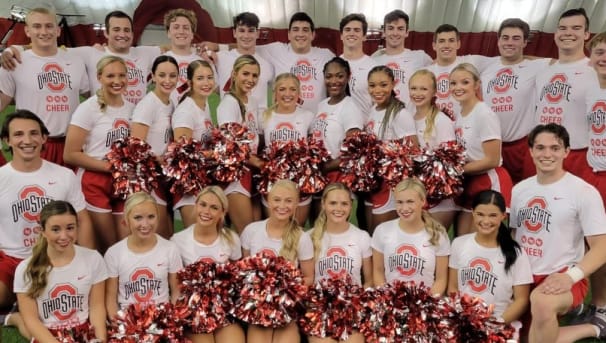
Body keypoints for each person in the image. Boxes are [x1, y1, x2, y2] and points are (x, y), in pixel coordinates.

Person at [509, 123, 606, 343]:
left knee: (542, 303)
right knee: (515, 335)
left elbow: (602, 246)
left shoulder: (583, 192)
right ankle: (592, 327)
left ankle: (587, 322)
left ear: (566, 152)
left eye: (555, 148)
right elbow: (515, 236)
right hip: (524, 276)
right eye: (540, 148)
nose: (547, 154)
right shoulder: (519, 190)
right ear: (531, 151)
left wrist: (570, 277)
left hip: (561, 275)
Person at [0, 109, 94, 320]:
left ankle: (22, 305)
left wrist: (88, 260)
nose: (27, 140)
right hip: (12, 258)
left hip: (57, 255)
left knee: (76, 297)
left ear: (44, 138)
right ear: (7, 140)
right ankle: (16, 309)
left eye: (34, 133)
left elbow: (82, 219)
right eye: (18, 134)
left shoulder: (64, 175)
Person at [0, 7, 88, 166]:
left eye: (49, 26)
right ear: (27, 31)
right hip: (32, 145)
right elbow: (2, 101)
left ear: (58, 30)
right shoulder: (14, 62)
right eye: (37, 26)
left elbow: (94, 96)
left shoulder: (76, 61)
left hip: (71, 145)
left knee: (72, 189)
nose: (44, 31)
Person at [64, 55, 133, 253]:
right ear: (99, 77)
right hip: (94, 182)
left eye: (122, 75)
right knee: (107, 246)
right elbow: (70, 154)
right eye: (110, 76)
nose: (117, 81)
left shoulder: (132, 108)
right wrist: (110, 166)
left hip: (122, 182)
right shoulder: (88, 109)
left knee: (124, 245)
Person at [11, 201, 107, 342]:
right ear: (42, 231)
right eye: (55, 229)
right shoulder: (25, 269)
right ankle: (16, 318)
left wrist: (100, 339)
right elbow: (32, 320)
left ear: (77, 227)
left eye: (70, 228)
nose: (64, 236)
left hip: (83, 329)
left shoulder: (93, 259)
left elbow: (97, 307)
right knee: (27, 326)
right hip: (49, 332)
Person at [241, 179, 314, 343]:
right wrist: (260, 294)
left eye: (289, 201)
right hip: (259, 307)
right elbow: (244, 271)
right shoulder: (251, 231)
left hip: (286, 307)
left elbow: (309, 278)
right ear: (268, 201)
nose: (282, 205)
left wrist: (284, 293)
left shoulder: (302, 238)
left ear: (296, 205)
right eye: (277, 199)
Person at [170, 186, 244, 343]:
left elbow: (238, 278)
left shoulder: (231, 239)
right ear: (196, 205)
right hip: (194, 313)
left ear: (222, 213)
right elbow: (175, 285)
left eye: (214, 207)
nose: (206, 211)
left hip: (224, 311)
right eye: (202, 205)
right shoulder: (178, 240)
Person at [449, 190, 532, 328]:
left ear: (503, 216)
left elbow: (521, 300)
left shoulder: (516, 253)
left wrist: (495, 324)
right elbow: (453, 287)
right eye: (480, 214)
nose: (486, 221)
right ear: (473, 213)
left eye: (493, 215)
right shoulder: (459, 244)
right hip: (464, 320)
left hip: (498, 323)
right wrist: (463, 315)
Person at [480, 18, 549, 184]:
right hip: (490, 144)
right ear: (498, 41)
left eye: (516, 38)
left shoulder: (538, 66)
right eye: (505, 38)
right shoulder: (486, 67)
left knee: (524, 189)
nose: (509, 42)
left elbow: (571, 62)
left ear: (525, 42)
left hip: (521, 145)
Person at [534, 8, 599, 180]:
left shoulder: (595, 71)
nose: (568, 33)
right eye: (563, 28)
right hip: (541, 154)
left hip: (578, 155)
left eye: (576, 28)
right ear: (556, 33)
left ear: (586, 35)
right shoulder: (543, 72)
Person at [450, 63, 511, 235]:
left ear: (477, 85)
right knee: (462, 241)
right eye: (453, 83)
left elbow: (492, 159)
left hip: (488, 181)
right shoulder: (460, 112)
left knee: (480, 242)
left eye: (465, 82)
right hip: (468, 180)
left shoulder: (484, 114)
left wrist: (455, 171)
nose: (458, 87)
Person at [307, 183, 370, 343]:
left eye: (344, 204)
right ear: (323, 204)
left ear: (351, 206)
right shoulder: (310, 237)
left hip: (352, 307)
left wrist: (359, 303)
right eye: (333, 203)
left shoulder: (362, 237)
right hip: (320, 308)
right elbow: (306, 279)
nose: (339, 208)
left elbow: (369, 280)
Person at [104, 192, 182, 320]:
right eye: (138, 218)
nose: (145, 224)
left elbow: (176, 292)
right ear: (126, 220)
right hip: (128, 325)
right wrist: (120, 326)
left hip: (161, 321)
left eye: (151, 216)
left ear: (158, 217)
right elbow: (111, 301)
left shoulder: (170, 249)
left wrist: (171, 320)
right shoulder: (114, 254)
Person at [371, 178, 450, 295]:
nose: (404, 208)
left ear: (422, 201)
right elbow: (378, 272)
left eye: (410, 201)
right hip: (391, 303)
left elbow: (441, 279)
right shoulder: (382, 230)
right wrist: (386, 298)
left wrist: (427, 303)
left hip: (424, 305)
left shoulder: (438, 234)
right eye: (399, 202)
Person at [309, 57, 364, 222]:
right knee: (316, 228)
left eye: (339, 76)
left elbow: (353, 153)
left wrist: (325, 167)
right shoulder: (322, 105)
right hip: (319, 176)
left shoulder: (350, 108)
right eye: (329, 76)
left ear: (348, 77)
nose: (334, 81)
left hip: (337, 178)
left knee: (331, 230)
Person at [130, 55, 179, 238]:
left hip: (164, 175)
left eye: (172, 76)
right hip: (149, 177)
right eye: (162, 75)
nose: (167, 81)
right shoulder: (147, 105)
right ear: (153, 76)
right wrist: (158, 159)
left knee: (169, 229)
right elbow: (135, 149)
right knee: (160, 233)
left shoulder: (170, 103)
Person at [365, 66, 418, 233]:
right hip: (373, 182)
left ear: (393, 84)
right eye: (372, 86)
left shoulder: (400, 114)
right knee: (370, 234)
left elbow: (413, 151)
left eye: (383, 85)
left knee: (381, 235)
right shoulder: (373, 110)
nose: (377, 90)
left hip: (389, 185)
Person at [216, 54, 264, 234]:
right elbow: (230, 147)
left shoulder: (252, 101)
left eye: (254, 75)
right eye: (246, 74)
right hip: (236, 175)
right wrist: (258, 162)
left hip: (251, 172)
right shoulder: (228, 104)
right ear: (234, 74)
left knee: (256, 233)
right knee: (247, 234)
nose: (250, 79)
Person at [261, 73, 315, 225]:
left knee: (296, 229)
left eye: (292, 89)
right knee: (275, 228)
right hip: (273, 182)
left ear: (299, 93)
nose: (287, 94)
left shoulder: (308, 116)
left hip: (300, 183)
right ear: (275, 93)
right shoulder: (264, 116)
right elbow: (260, 148)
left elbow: (313, 149)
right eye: (282, 89)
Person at [256, 12, 335, 112]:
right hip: (286, 121)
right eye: (295, 29)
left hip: (318, 120)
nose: (300, 34)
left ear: (313, 35)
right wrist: (229, 47)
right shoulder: (276, 50)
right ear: (289, 34)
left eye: (305, 30)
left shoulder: (326, 56)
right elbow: (246, 48)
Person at [408, 69, 457, 229]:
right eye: (414, 88)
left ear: (434, 92)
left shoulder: (441, 121)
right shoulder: (407, 119)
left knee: (434, 247)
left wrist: (426, 184)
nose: (418, 93)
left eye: (423, 89)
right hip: (414, 194)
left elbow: (450, 163)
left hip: (438, 198)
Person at [171, 60, 217, 228]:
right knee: (195, 237)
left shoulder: (203, 106)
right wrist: (220, 154)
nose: (206, 83)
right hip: (190, 183)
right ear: (190, 83)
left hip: (203, 179)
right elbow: (184, 154)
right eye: (200, 78)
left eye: (209, 77)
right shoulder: (186, 111)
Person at [582, 31, 606, 338]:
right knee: (593, 244)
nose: (604, 57)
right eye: (599, 51)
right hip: (592, 173)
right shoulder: (590, 90)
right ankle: (597, 305)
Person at [216, 12, 274, 113]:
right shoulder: (220, 58)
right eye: (242, 30)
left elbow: (277, 92)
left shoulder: (266, 65)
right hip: (231, 124)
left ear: (257, 33)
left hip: (258, 125)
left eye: (251, 31)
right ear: (234, 33)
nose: (246, 36)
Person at [372, 9, 432, 107]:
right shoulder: (374, 60)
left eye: (400, 29)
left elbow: (441, 68)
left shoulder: (420, 57)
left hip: (410, 119)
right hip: (382, 118)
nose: (395, 33)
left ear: (407, 32)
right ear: (383, 32)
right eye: (391, 28)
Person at [339, 13, 377, 116]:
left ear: (364, 36)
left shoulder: (373, 67)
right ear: (341, 36)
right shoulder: (333, 64)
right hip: (336, 127)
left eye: (357, 30)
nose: (351, 33)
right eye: (347, 30)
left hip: (364, 127)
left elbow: (379, 103)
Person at [162, 8, 205, 101]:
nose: (181, 31)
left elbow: (218, 89)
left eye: (186, 28)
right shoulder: (160, 60)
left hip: (198, 114)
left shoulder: (203, 61)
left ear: (192, 33)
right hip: (170, 114)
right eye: (176, 27)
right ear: (168, 33)